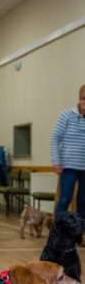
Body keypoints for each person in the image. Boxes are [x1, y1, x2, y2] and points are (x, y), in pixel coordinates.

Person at [51, 85, 85, 218]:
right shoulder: (66, 115)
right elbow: (55, 139)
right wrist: (56, 161)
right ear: (79, 98)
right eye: (83, 98)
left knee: (83, 201)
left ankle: (79, 234)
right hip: (68, 166)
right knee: (65, 199)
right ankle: (57, 234)